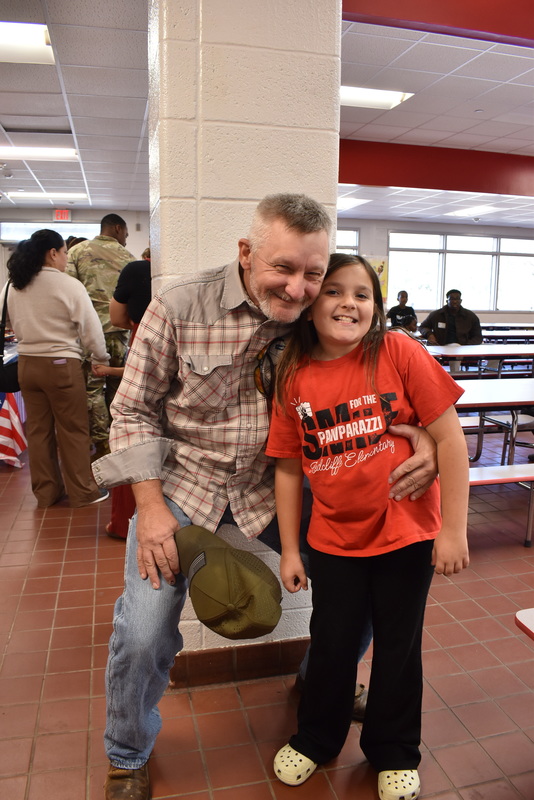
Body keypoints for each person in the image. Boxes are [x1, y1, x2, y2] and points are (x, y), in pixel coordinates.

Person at [91, 195, 439, 800]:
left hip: (270, 488)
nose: (299, 287)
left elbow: (385, 381)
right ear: (246, 254)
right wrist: (148, 507)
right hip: (182, 489)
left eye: (313, 273)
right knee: (145, 632)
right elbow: (132, 412)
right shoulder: (179, 306)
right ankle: (127, 753)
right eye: (284, 268)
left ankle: (320, 682)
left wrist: (429, 445)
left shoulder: (316, 315)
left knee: (352, 587)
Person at [266, 254, 469, 800]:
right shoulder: (293, 374)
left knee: (399, 647)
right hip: (333, 541)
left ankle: (395, 750)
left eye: (362, 294)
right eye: (334, 291)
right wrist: (289, 549)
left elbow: (449, 440)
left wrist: (453, 530)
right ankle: (316, 738)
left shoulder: (398, 351)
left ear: (377, 308)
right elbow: (287, 467)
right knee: (331, 642)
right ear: (311, 305)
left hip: (406, 535)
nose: (348, 303)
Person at [0, 229, 110, 508]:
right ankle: (84, 493)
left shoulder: (13, 284)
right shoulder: (67, 285)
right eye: (64, 253)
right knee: (73, 430)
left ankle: (47, 494)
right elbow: (91, 328)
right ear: (52, 254)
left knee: (39, 431)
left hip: (26, 365)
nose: (65, 259)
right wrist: (101, 357)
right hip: (61, 365)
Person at [67, 213, 135, 460]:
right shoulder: (129, 258)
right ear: (118, 228)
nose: (125, 241)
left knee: (93, 389)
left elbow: (70, 293)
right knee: (119, 387)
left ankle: (101, 442)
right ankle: (120, 439)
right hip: (121, 333)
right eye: (126, 235)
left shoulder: (77, 252)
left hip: (89, 333)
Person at [101, 254, 153, 540]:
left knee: (132, 432)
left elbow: (117, 317)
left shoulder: (135, 270)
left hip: (143, 348)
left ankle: (125, 523)